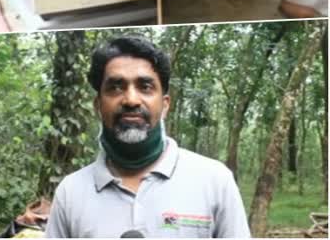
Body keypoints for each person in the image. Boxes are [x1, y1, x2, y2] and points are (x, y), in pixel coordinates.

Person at [46, 36, 250, 238]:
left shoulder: (214, 181)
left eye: (145, 87)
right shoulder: (71, 192)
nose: (131, 100)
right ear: (98, 105)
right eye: (116, 87)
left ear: (165, 105)